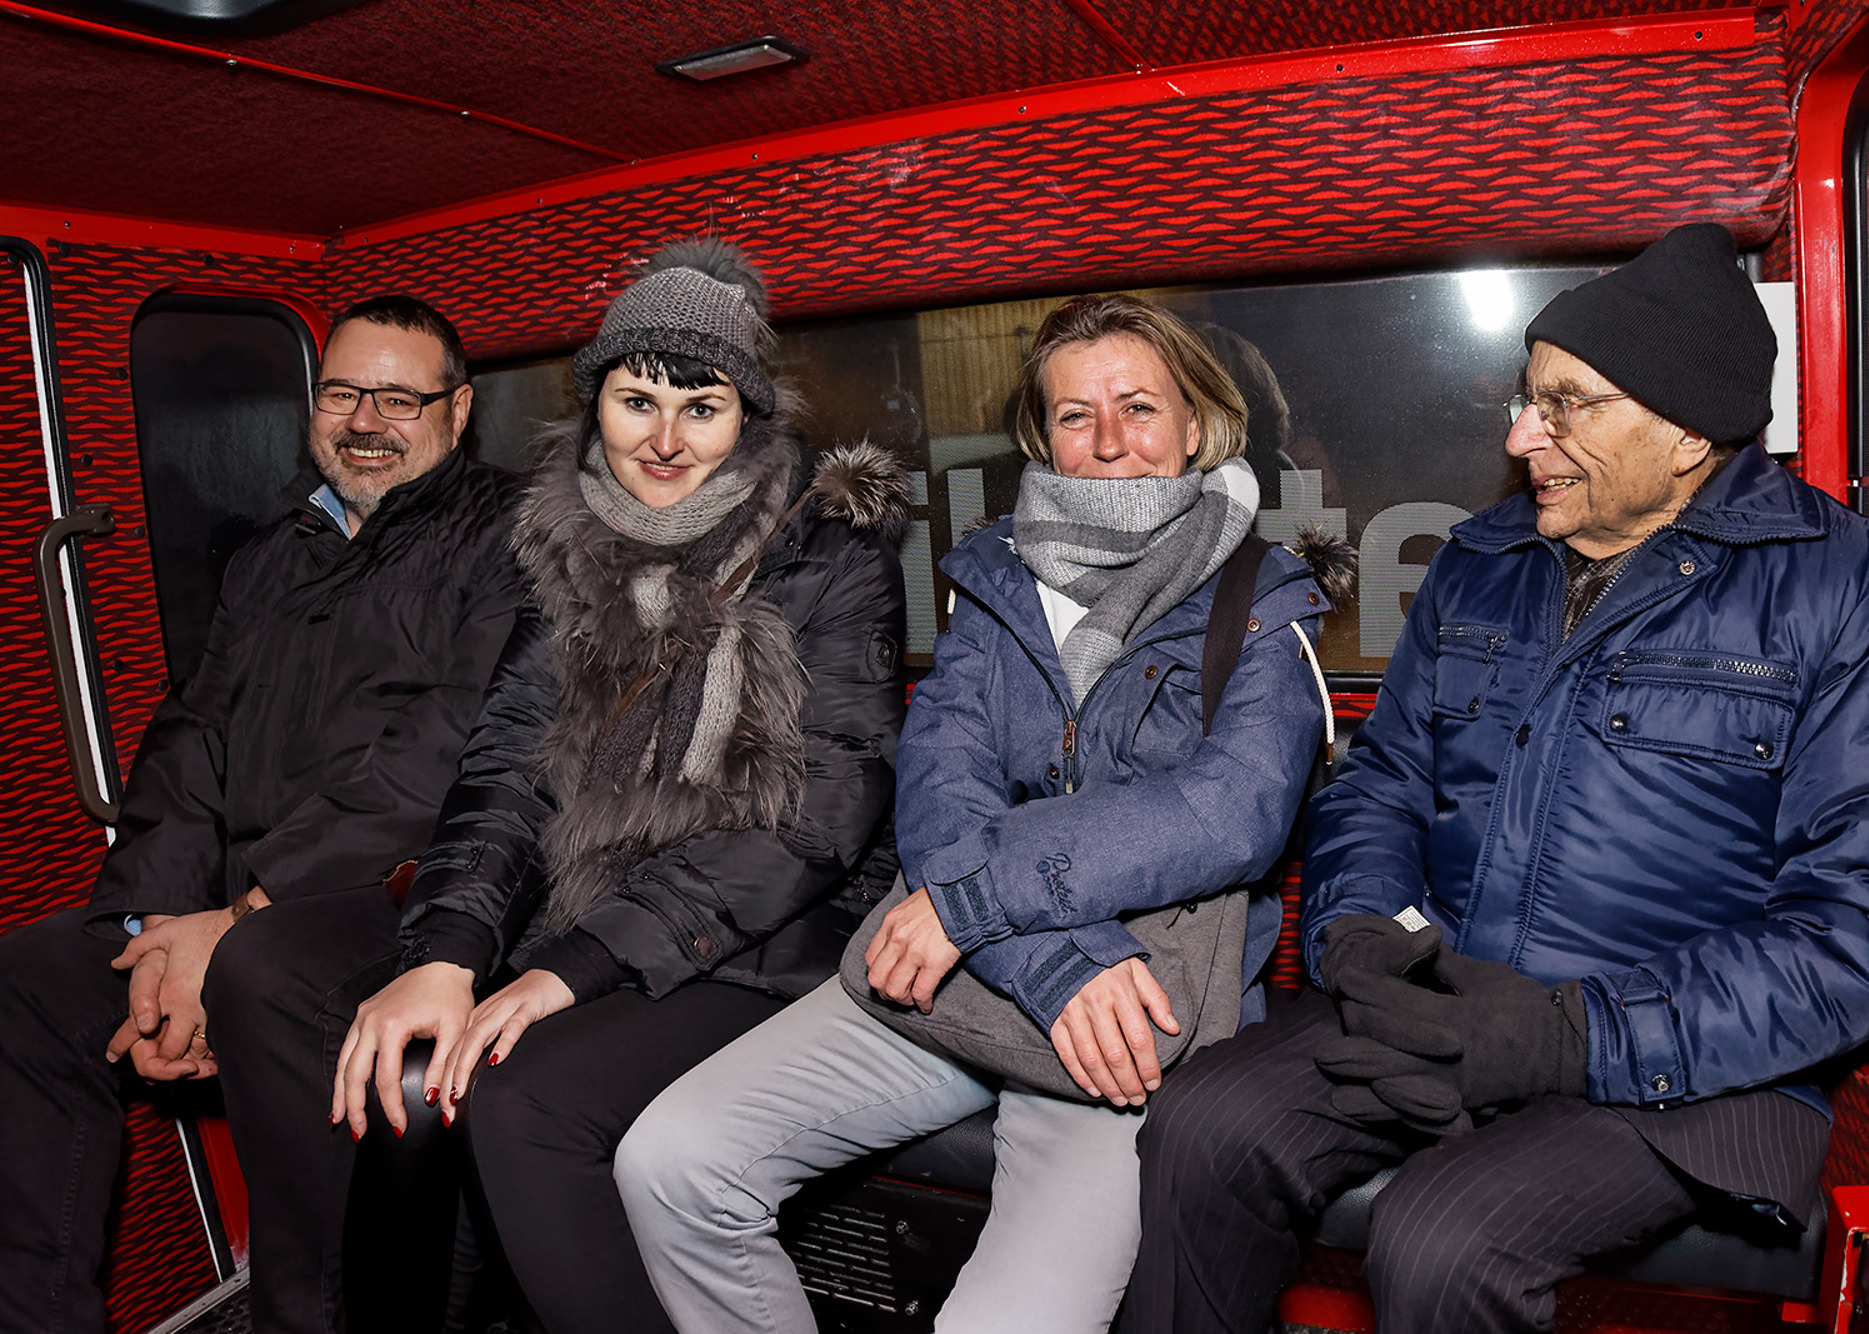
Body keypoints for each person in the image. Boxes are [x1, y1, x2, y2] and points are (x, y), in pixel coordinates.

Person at [1122, 223, 1869, 1334]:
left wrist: (1568, 1034)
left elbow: (1839, 939)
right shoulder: (1482, 560)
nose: (1518, 434)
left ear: (1687, 431)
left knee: (1441, 1238)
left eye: (1563, 405)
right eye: (1525, 398)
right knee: (1200, 1126)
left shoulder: (1838, 584)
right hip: (1447, 996)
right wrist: (1362, 937)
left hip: (1686, 1067)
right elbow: (1383, 782)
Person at [612, 292, 1349, 1334]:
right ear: (1042, 435)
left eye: (1139, 407)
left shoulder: (1262, 596)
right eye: (1075, 415)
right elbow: (940, 781)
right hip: (971, 966)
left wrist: (981, 896)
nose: (1108, 442)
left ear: (1196, 424)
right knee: (672, 1162)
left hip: (1131, 1008)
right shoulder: (994, 574)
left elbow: (1230, 813)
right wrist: (1042, 956)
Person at [331, 239, 908, 1334]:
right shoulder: (560, 541)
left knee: (521, 1098)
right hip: (597, 904)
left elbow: (820, 814)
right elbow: (510, 766)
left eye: (702, 408)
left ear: (749, 415)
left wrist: (573, 967)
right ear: (594, 402)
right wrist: (448, 951)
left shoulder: (826, 547)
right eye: (637, 401)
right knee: (414, 1077)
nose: (664, 440)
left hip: (771, 933)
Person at [0, 295, 525, 1334]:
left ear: (458, 412)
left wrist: (241, 917)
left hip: (413, 884)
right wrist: (161, 929)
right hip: (237, 900)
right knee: (30, 980)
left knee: (266, 971)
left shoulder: (517, 535)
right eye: (341, 393)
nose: (365, 420)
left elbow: (446, 753)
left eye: (398, 398)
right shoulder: (273, 550)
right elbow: (192, 737)